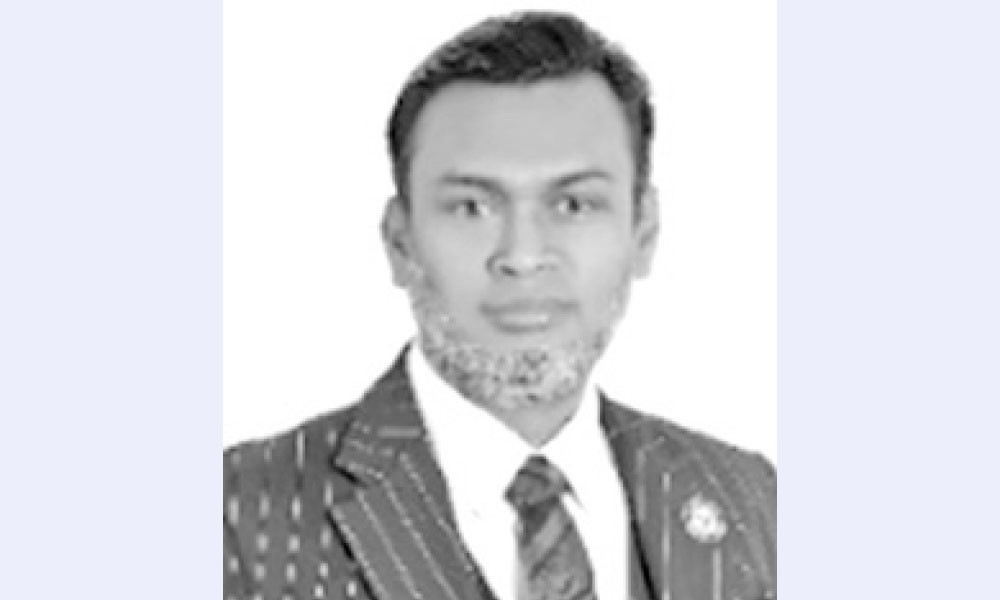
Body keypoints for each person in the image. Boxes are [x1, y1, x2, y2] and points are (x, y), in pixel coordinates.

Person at [224, 11, 775, 600]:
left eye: (573, 205)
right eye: (472, 208)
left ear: (644, 233)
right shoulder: (236, 517)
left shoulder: (756, 500)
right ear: (400, 243)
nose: (523, 256)